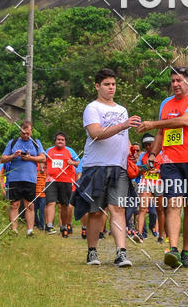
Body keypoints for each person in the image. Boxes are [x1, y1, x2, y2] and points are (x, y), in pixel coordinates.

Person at [138, 66, 188, 270]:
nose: (176, 84)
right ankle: (174, 250)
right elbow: (161, 132)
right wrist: (153, 154)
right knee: (173, 203)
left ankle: (186, 252)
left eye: (180, 80)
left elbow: (185, 121)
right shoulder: (165, 104)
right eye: (173, 81)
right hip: (170, 161)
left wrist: (152, 124)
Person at [71, 67, 141, 267]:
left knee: (117, 208)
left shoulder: (122, 110)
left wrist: (131, 151)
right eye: (107, 84)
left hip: (118, 167)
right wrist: (123, 125)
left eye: (113, 84)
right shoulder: (92, 108)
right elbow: (96, 133)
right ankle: (92, 252)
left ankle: (121, 252)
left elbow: (123, 138)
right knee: (96, 211)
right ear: (97, 86)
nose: (111, 88)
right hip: (96, 166)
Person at [0, 120, 45, 236]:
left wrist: (30, 158)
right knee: (14, 205)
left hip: (30, 179)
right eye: (23, 133)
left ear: (31, 131)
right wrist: (13, 156)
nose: (25, 136)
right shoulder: (13, 142)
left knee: (30, 205)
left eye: (28, 133)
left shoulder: (36, 142)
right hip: (15, 178)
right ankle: (14, 230)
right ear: (20, 131)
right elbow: (3, 158)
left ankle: (30, 231)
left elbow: (43, 158)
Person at [45, 132, 79, 236]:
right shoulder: (49, 151)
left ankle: (64, 226)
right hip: (51, 181)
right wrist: (42, 167)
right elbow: (42, 160)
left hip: (66, 181)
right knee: (50, 202)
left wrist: (72, 163)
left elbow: (78, 163)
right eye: (58, 139)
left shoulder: (70, 151)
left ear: (65, 142)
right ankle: (49, 226)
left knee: (64, 205)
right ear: (55, 141)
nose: (60, 141)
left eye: (62, 140)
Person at [133, 134, 165, 243]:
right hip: (145, 182)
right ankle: (139, 234)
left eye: (150, 144)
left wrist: (158, 171)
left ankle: (161, 235)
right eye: (145, 145)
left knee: (159, 210)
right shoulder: (143, 156)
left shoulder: (162, 155)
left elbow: (168, 170)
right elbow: (137, 169)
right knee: (142, 208)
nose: (148, 147)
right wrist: (144, 168)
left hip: (159, 183)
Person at [34, 157, 47, 230]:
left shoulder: (47, 174)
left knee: (42, 211)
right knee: (34, 210)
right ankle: (37, 223)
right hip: (35, 194)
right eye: (42, 166)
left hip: (43, 195)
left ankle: (42, 226)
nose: (43, 168)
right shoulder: (35, 173)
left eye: (44, 167)